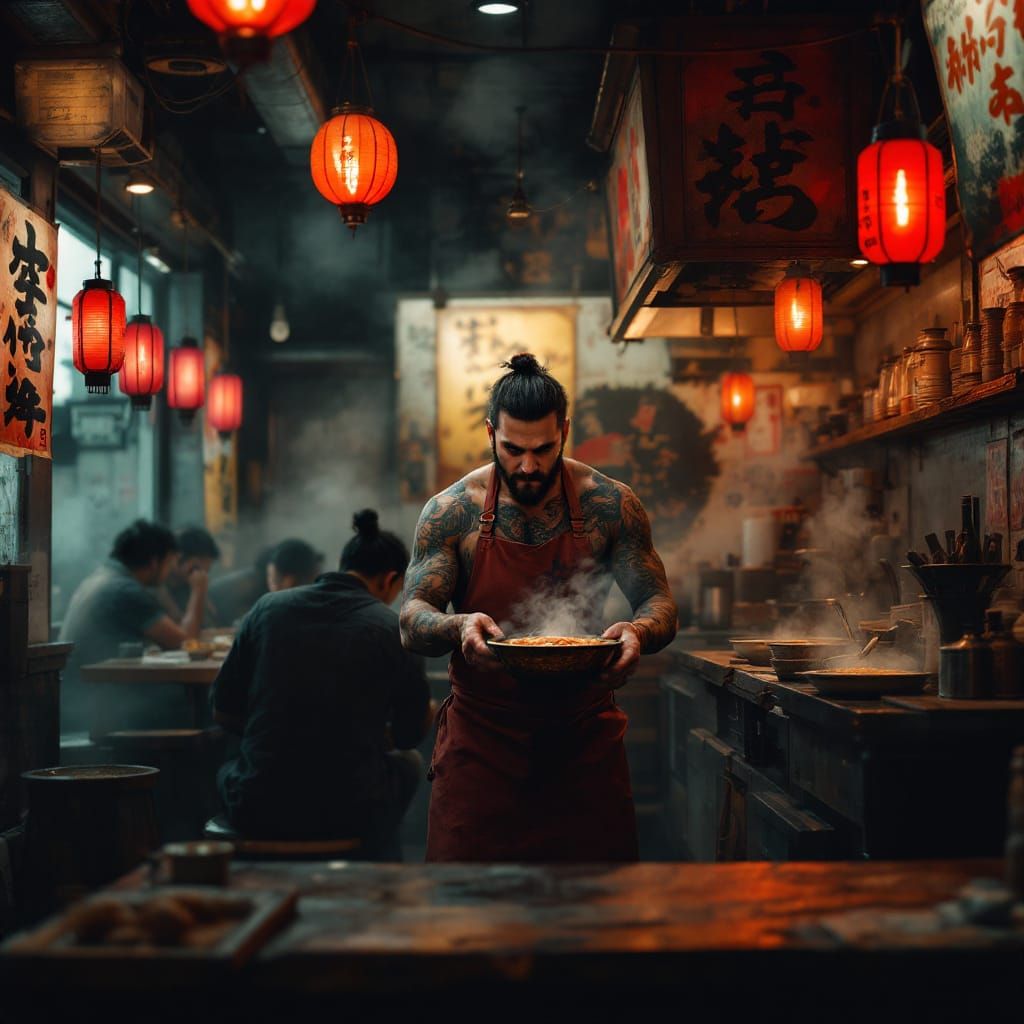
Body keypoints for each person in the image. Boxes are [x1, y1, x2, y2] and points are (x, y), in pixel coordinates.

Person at [400, 353, 678, 862]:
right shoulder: (451, 511)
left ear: (565, 431)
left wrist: (639, 631)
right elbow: (412, 616)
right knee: (467, 914)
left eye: (544, 449)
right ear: (490, 433)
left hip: (581, 740)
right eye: (512, 449)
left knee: (595, 909)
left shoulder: (611, 504)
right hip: (481, 745)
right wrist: (458, 624)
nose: (528, 466)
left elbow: (658, 600)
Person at [210, 510, 431, 855]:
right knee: (410, 763)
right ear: (390, 580)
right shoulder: (392, 628)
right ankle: (377, 870)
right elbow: (407, 735)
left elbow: (223, 711)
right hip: (350, 808)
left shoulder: (267, 608)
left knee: (230, 762)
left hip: (258, 804)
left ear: (344, 565)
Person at [58, 520, 207, 731]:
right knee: (190, 702)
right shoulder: (123, 590)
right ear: (155, 562)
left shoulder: (105, 577)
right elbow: (186, 643)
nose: (172, 570)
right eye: (170, 562)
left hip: (85, 695)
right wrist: (199, 590)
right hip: (94, 705)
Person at [158, 526, 219, 626]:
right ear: (178, 558)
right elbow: (180, 629)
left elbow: (209, 624)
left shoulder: (188, 585)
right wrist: (198, 591)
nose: (201, 575)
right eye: (197, 568)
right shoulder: (156, 585)